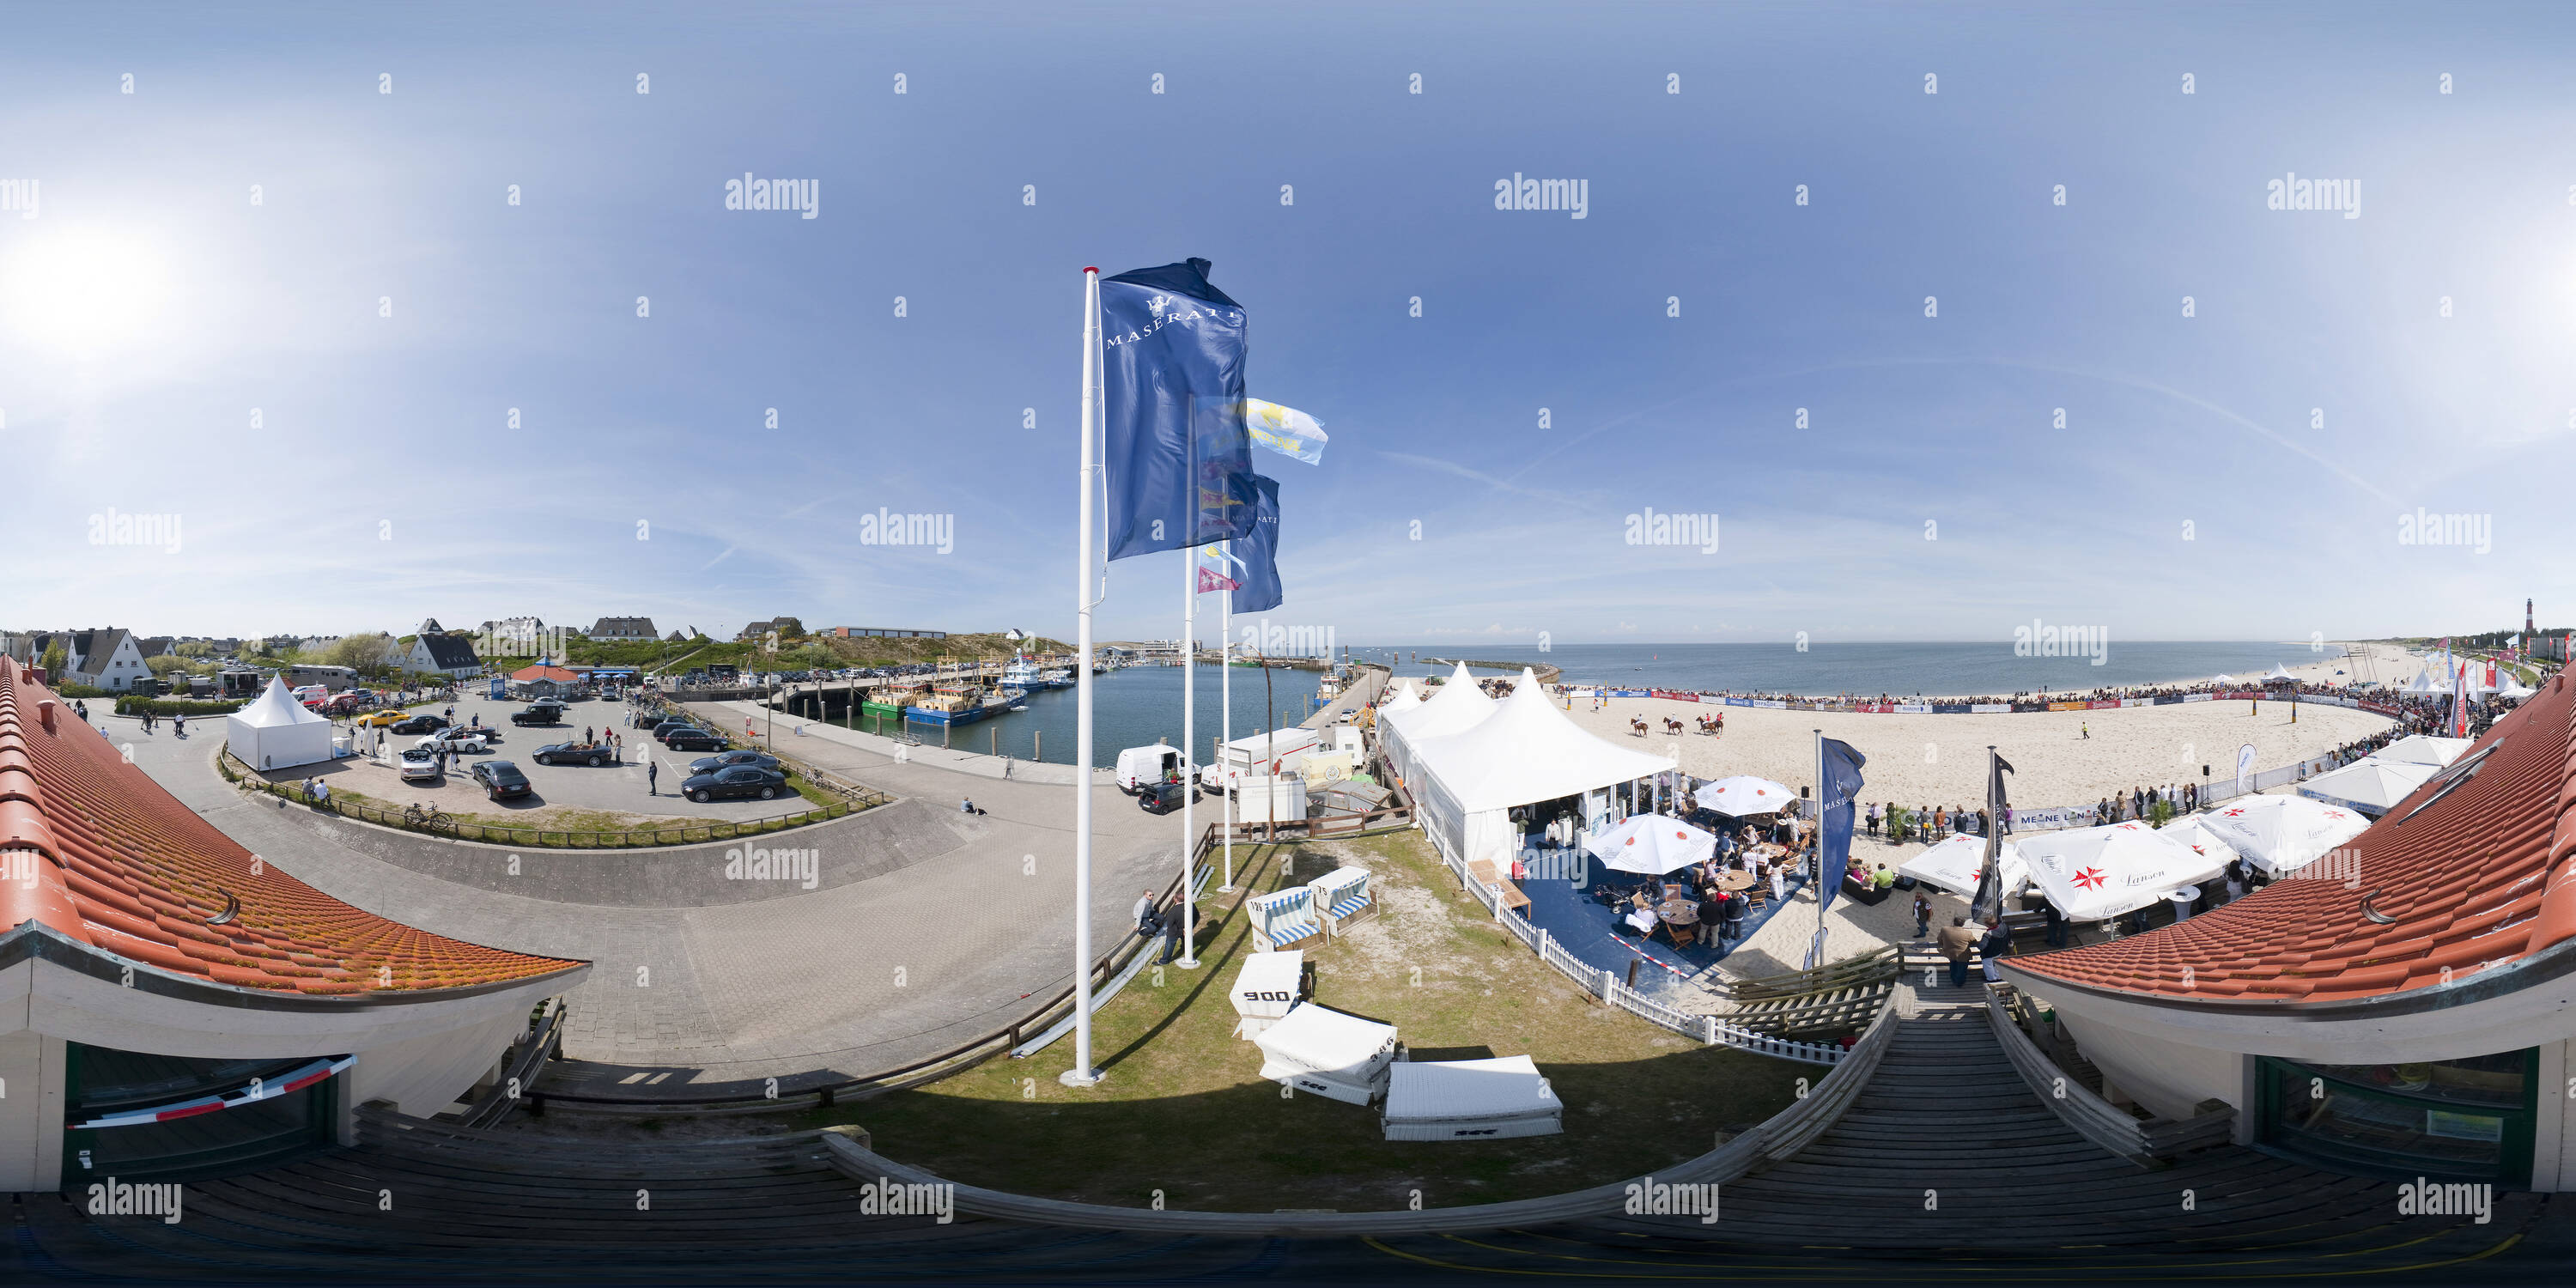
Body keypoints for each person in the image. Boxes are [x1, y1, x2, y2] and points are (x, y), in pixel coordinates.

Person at [1937, 916, 1979, 988]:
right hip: (1963, 955)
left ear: (1954, 923)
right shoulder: (1968, 933)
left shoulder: (1945, 929)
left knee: (1953, 965)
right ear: (1963, 924)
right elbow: (1974, 942)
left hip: (1950, 953)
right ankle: (1959, 983)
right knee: (1962, 969)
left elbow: (1939, 940)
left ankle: (1953, 979)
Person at [1979, 917, 2011, 983]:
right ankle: (1999, 977)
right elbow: (2009, 935)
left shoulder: (1988, 934)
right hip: (2000, 950)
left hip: (1989, 953)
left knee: (1988, 966)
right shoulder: (2004, 927)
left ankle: (1991, 979)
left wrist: (1976, 943)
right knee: (1997, 965)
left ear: (1988, 925)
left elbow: (1981, 946)